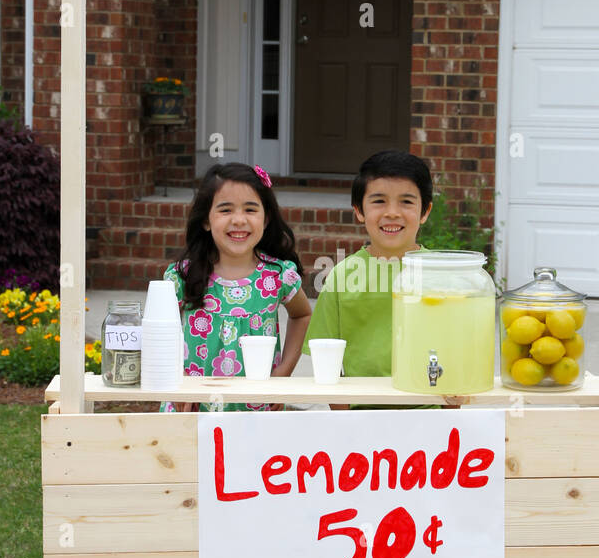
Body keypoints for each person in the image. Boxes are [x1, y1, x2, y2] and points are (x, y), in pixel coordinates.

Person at [302, 149, 457, 409]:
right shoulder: (341, 276)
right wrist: (346, 418)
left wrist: (449, 417)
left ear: (425, 211)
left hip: (428, 415)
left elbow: (455, 353)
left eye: (406, 202)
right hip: (360, 419)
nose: (392, 213)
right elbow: (325, 361)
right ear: (359, 210)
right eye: (379, 201)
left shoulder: (440, 275)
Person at [159, 162, 311, 414]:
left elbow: (302, 314)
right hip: (191, 409)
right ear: (206, 220)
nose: (239, 220)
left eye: (250, 209)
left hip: (257, 413)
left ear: (266, 218)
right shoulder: (181, 276)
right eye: (225, 210)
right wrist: (178, 380)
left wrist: (284, 373)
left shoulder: (278, 276)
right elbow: (159, 335)